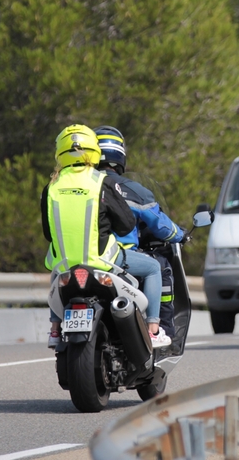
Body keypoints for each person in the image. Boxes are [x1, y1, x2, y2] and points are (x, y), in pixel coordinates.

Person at [42, 125, 138, 348]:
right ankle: (154, 329)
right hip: (103, 262)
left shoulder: (51, 186)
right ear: (94, 150)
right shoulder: (101, 182)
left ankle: (55, 329)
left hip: (64, 265)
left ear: (60, 152)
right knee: (153, 268)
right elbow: (126, 226)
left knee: (56, 279)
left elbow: (48, 232)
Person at [93, 125, 184, 345]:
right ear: (120, 153)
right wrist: (181, 234)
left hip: (78, 256)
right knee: (159, 267)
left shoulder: (81, 186)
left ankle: (55, 327)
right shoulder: (130, 189)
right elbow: (162, 226)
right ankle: (159, 329)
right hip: (116, 257)